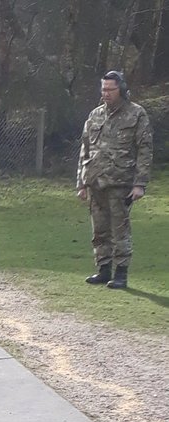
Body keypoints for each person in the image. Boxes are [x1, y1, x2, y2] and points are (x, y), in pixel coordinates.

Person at [77, 71, 152, 290]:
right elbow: (85, 148)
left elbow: (145, 150)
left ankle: (121, 273)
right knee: (99, 230)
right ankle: (103, 270)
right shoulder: (95, 115)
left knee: (120, 230)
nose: (106, 93)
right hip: (96, 180)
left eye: (111, 89)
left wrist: (140, 183)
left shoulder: (136, 114)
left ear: (122, 89)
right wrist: (81, 182)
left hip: (121, 182)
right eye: (104, 89)